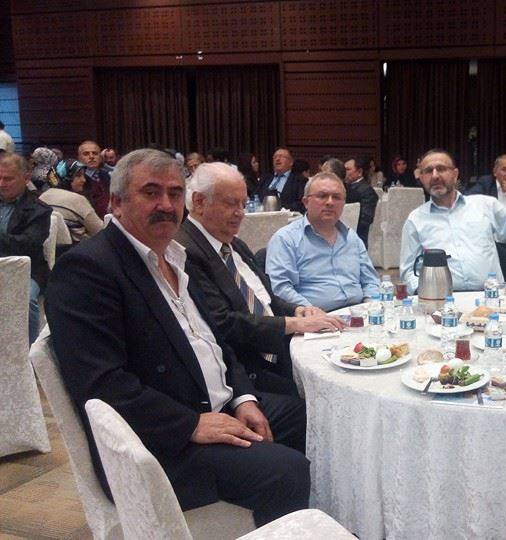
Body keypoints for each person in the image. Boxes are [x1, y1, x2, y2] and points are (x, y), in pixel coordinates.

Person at [44, 149, 310, 526]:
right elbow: (100, 383)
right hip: (159, 441)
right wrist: (191, 424)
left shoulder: (174, 257)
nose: (167, 205)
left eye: (174, 193)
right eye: (151, 192)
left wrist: (244, 398)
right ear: (116, 202)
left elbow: (216, 342)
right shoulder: (88, 269)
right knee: (286, 471)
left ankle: (299, 525)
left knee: (309, 417)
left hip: (215, 406)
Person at [178, 163, 343, 396]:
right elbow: (223, 324)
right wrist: (294, 324)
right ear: (199, 202)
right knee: (323, 399)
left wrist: (298, 311)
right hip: (246, 372)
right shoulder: (185, 251)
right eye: (231, 203)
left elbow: (264, 298)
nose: (240, 212)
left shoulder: (233, 244)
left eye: (243, 204)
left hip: (276, 347)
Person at [400, 149, 506, 293]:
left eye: (441, 169)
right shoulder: (415, 220)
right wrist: (425, 293)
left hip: (490, 299)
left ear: (455, 174)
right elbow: (407, 272)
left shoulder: (484, 206)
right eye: (429, 171)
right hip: (443, 301)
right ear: (422, 178)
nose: (435, 176)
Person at [267, 172, 380, 311]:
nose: (330, 202)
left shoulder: (352, 238)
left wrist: (371, 305)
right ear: (306, 202)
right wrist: (312, 312)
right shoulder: (286, 239)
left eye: (336, 197)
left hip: (359, 313)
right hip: (314, 317)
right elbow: (281, 288)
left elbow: (370, 280)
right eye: (322, 196)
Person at [0, 152, 51, 343]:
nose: (1, 183)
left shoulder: (39, 209)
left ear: (26, 177)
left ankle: (28, 350)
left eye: (8, 179)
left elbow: (27, 245)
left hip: (28, 270)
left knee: (26, 300)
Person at [465, 154, 506, 278]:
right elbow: (469, 201)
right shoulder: (485, 184)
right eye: (504, 170)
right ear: (495, 172)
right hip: (487, 235)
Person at [40, 159, 104, 244]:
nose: (84, 180)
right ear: (66, 178)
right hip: (79, 250)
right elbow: (101, 231)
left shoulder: (42, 197)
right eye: (78, 176)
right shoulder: (77, 200)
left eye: (83, 175)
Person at [343, 157, 380, 246]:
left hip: (357, 239)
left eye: (347, 169)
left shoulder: (367, 191)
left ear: (359, 172)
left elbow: (365, 220)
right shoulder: (344, 187)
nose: (344, 172)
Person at [258, 148, 305, 213]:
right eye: (275, 157)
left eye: (281, 156)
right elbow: (254, 197)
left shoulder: (299, 180)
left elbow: (301, 203)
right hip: (262, 215)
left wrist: (280, 208)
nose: (277, 159)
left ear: (291, 162)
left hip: (287, 216)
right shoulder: (265, 179)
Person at [77, 140, 110, 216]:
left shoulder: (107, 175)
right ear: (79, 158)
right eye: (86, 154)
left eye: (95, 153)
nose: (91, 157)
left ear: (100, 157)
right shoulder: (77, 179)